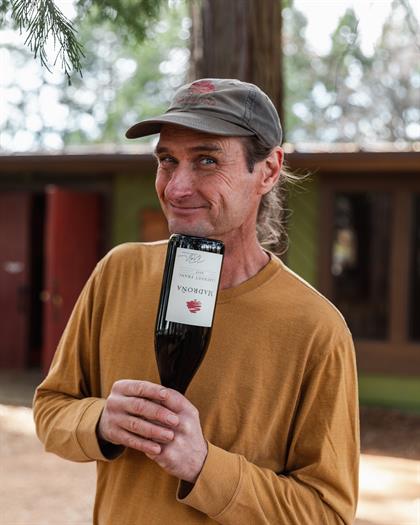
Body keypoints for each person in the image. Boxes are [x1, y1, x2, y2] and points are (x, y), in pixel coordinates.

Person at [34, 78, 359, 525]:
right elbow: (51, 410)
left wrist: (205, 467)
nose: (176, 188)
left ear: (268, 170)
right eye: (167, 160)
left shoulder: (316, 328)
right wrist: (101, 420)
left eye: (207, 160)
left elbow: (328, 514)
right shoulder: (119, 272)